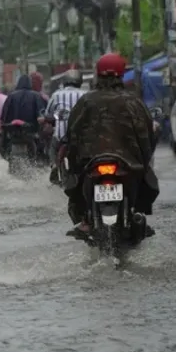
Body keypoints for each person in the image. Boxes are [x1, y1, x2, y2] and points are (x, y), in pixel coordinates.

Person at [63, 53, 158, 239]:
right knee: (146, 180)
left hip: (90, 163)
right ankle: (138, 214)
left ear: (98, 75)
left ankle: (84, 220)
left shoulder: (86, 101)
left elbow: (72, 135)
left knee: (74, 182)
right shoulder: (133, 102)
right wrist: (144, 160)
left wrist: (74, 163)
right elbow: (146, 135)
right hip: (128, 163)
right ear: (121, 75)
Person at [46, 69, 87, 181]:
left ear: (64, 81)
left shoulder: (56, 95)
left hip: (61, 135)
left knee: (53, 147)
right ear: (79, 81)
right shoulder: (85, 95)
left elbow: (48, 113)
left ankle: (54, 164)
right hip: (81, 136)